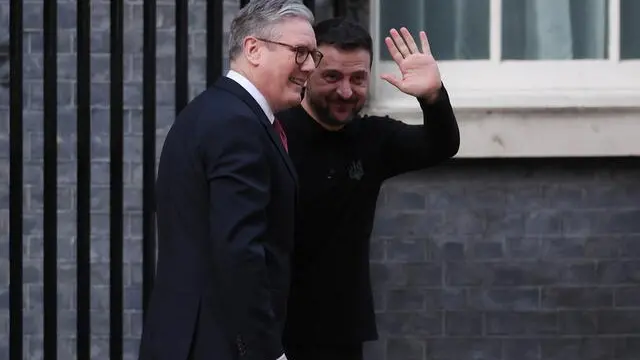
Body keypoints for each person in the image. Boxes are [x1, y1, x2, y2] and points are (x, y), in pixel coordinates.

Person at [137, 1, 320, 360]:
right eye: (300, 53)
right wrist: (266, 351)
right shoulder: (236, 124)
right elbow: (240, 250)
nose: (310, 66)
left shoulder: (215, 111)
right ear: (253, 49)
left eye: (314, 55)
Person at [276, 18, 460, 360]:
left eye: (358, 79)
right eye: (332, 77)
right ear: (307, 71)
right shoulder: (274, 135)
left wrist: (433, 97)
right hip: (275, 329)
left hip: (342, 330)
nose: (346, 91)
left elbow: (442, 144)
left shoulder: (373, 139)